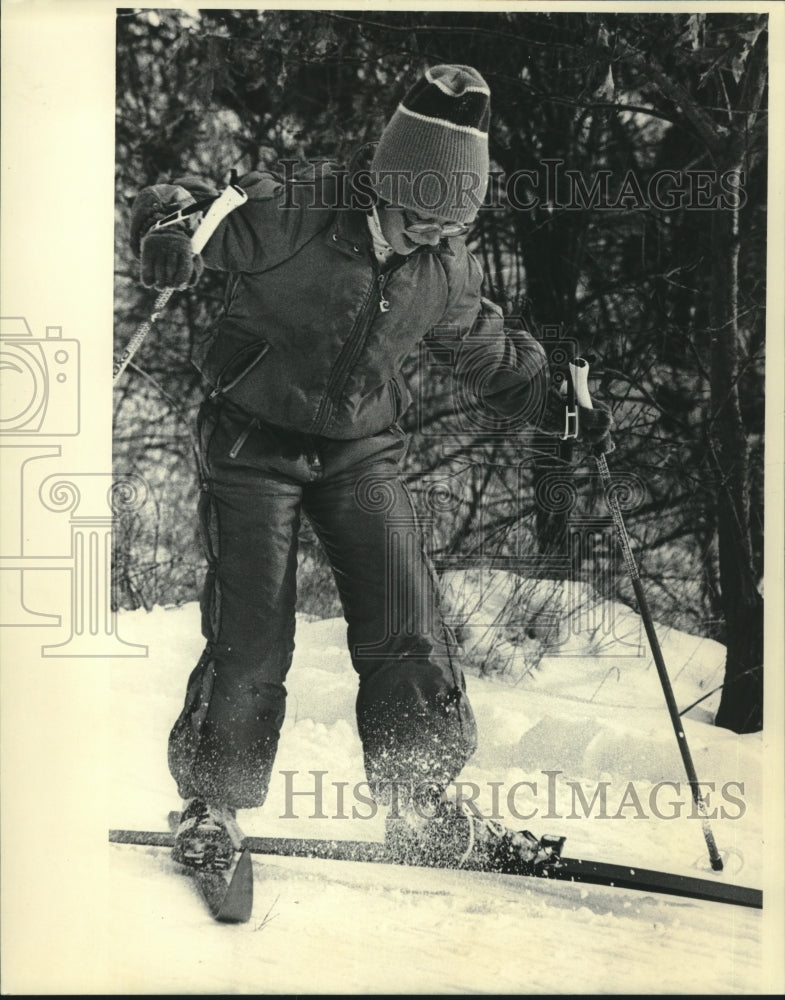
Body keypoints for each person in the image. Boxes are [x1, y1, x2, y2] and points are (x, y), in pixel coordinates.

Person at [129, 65, 611, 872]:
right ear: (387, 185)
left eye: (452, 223)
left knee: (406, 624)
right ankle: (212, 803)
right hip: (251, 441)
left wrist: (558, 404)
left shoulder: (443, 262)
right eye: (422, 217)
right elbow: (184, 204)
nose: (434, 234)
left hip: (359, 448)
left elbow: (488, 353)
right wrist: (167, 232)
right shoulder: (294, 209)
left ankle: (418, 801)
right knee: (253, 636)